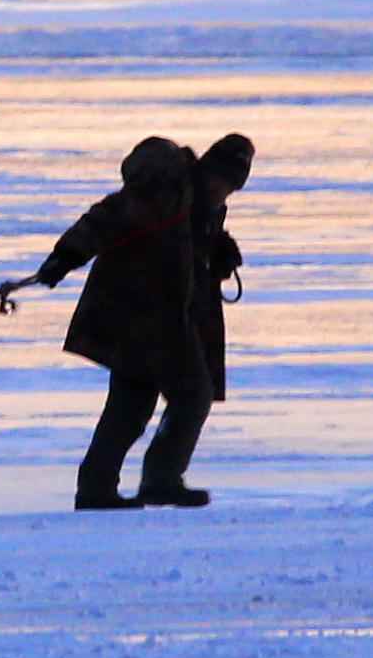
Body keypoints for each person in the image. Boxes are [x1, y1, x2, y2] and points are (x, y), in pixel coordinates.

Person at [36, 132, 251, 509]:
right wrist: (66, 255)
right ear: (206, 170)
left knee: (130, 405)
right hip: (143, 317)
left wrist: (218, 253)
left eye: (231, 186)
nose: (223, 190)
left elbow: (186, 251)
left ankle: (97, 488)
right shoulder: (165, 194)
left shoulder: (201, 208)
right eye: (220, 180)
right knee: (192, 393)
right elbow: (110, 216)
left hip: (154, 320)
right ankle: (161, 478)